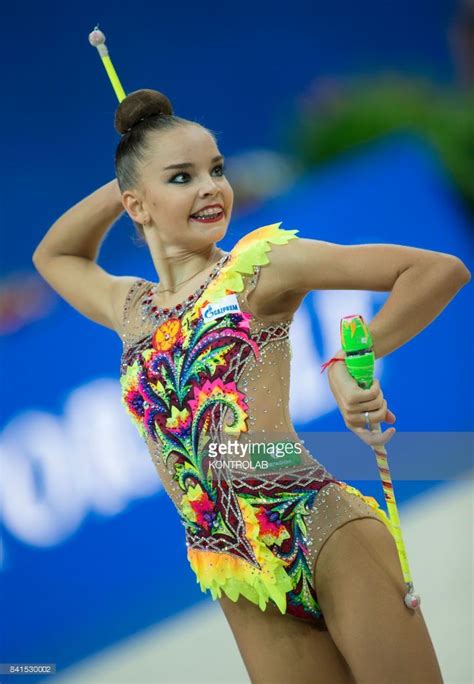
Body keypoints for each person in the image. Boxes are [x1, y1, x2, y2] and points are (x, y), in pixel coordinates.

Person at [33, 88, 469, 683]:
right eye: (183, 176)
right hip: (234, 568)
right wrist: (130, 169)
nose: (211, 186)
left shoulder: (258, 266)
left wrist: (350, 358)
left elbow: (436, 269)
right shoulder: (130, 309)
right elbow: (54, 254)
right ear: (136, 205)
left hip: (322, 527)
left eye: (216, 168)